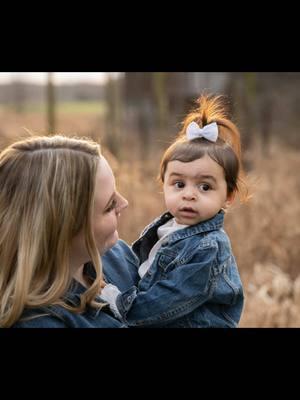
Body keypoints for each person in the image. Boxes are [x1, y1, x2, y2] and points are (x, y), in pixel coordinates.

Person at [101, 94, 248, 327]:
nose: (189, 194)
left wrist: (117, 301)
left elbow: (165, 301)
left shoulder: (209, 247)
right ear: (164, 186)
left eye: (205, 186)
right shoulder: (166, 227)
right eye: (179, 184)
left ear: (228, 196)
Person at [0, 134, 136, 328]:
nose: (124, 203)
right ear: (63, 229)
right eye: (109, 205)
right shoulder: (39, 322)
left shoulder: (117, 256)